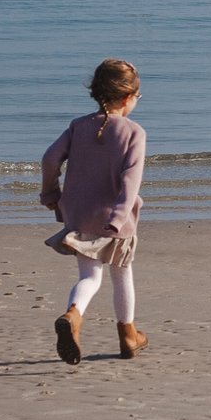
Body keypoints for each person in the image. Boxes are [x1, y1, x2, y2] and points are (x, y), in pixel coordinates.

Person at [39, 58, 149, 365]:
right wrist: (118, 217)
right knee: (122, 272)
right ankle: (128, 336)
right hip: (115, 216)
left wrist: (51, 193)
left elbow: (49, 159)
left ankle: (73, 315)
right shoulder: (133, 132)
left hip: (78, 211)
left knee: (90, 276)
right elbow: (130, 180)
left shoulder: (77, 126)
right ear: (128, 97)